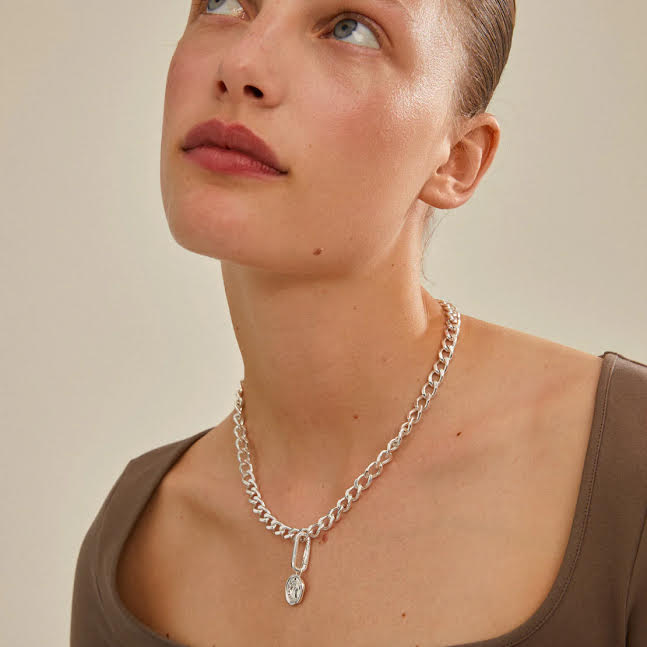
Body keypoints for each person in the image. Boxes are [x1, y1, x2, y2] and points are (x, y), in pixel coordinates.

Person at [70, 0, 647, 645]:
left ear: (456, 161)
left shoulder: (628, 468)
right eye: (225, 3)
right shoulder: (136, 539)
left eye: (350, 29)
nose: (241, 65)